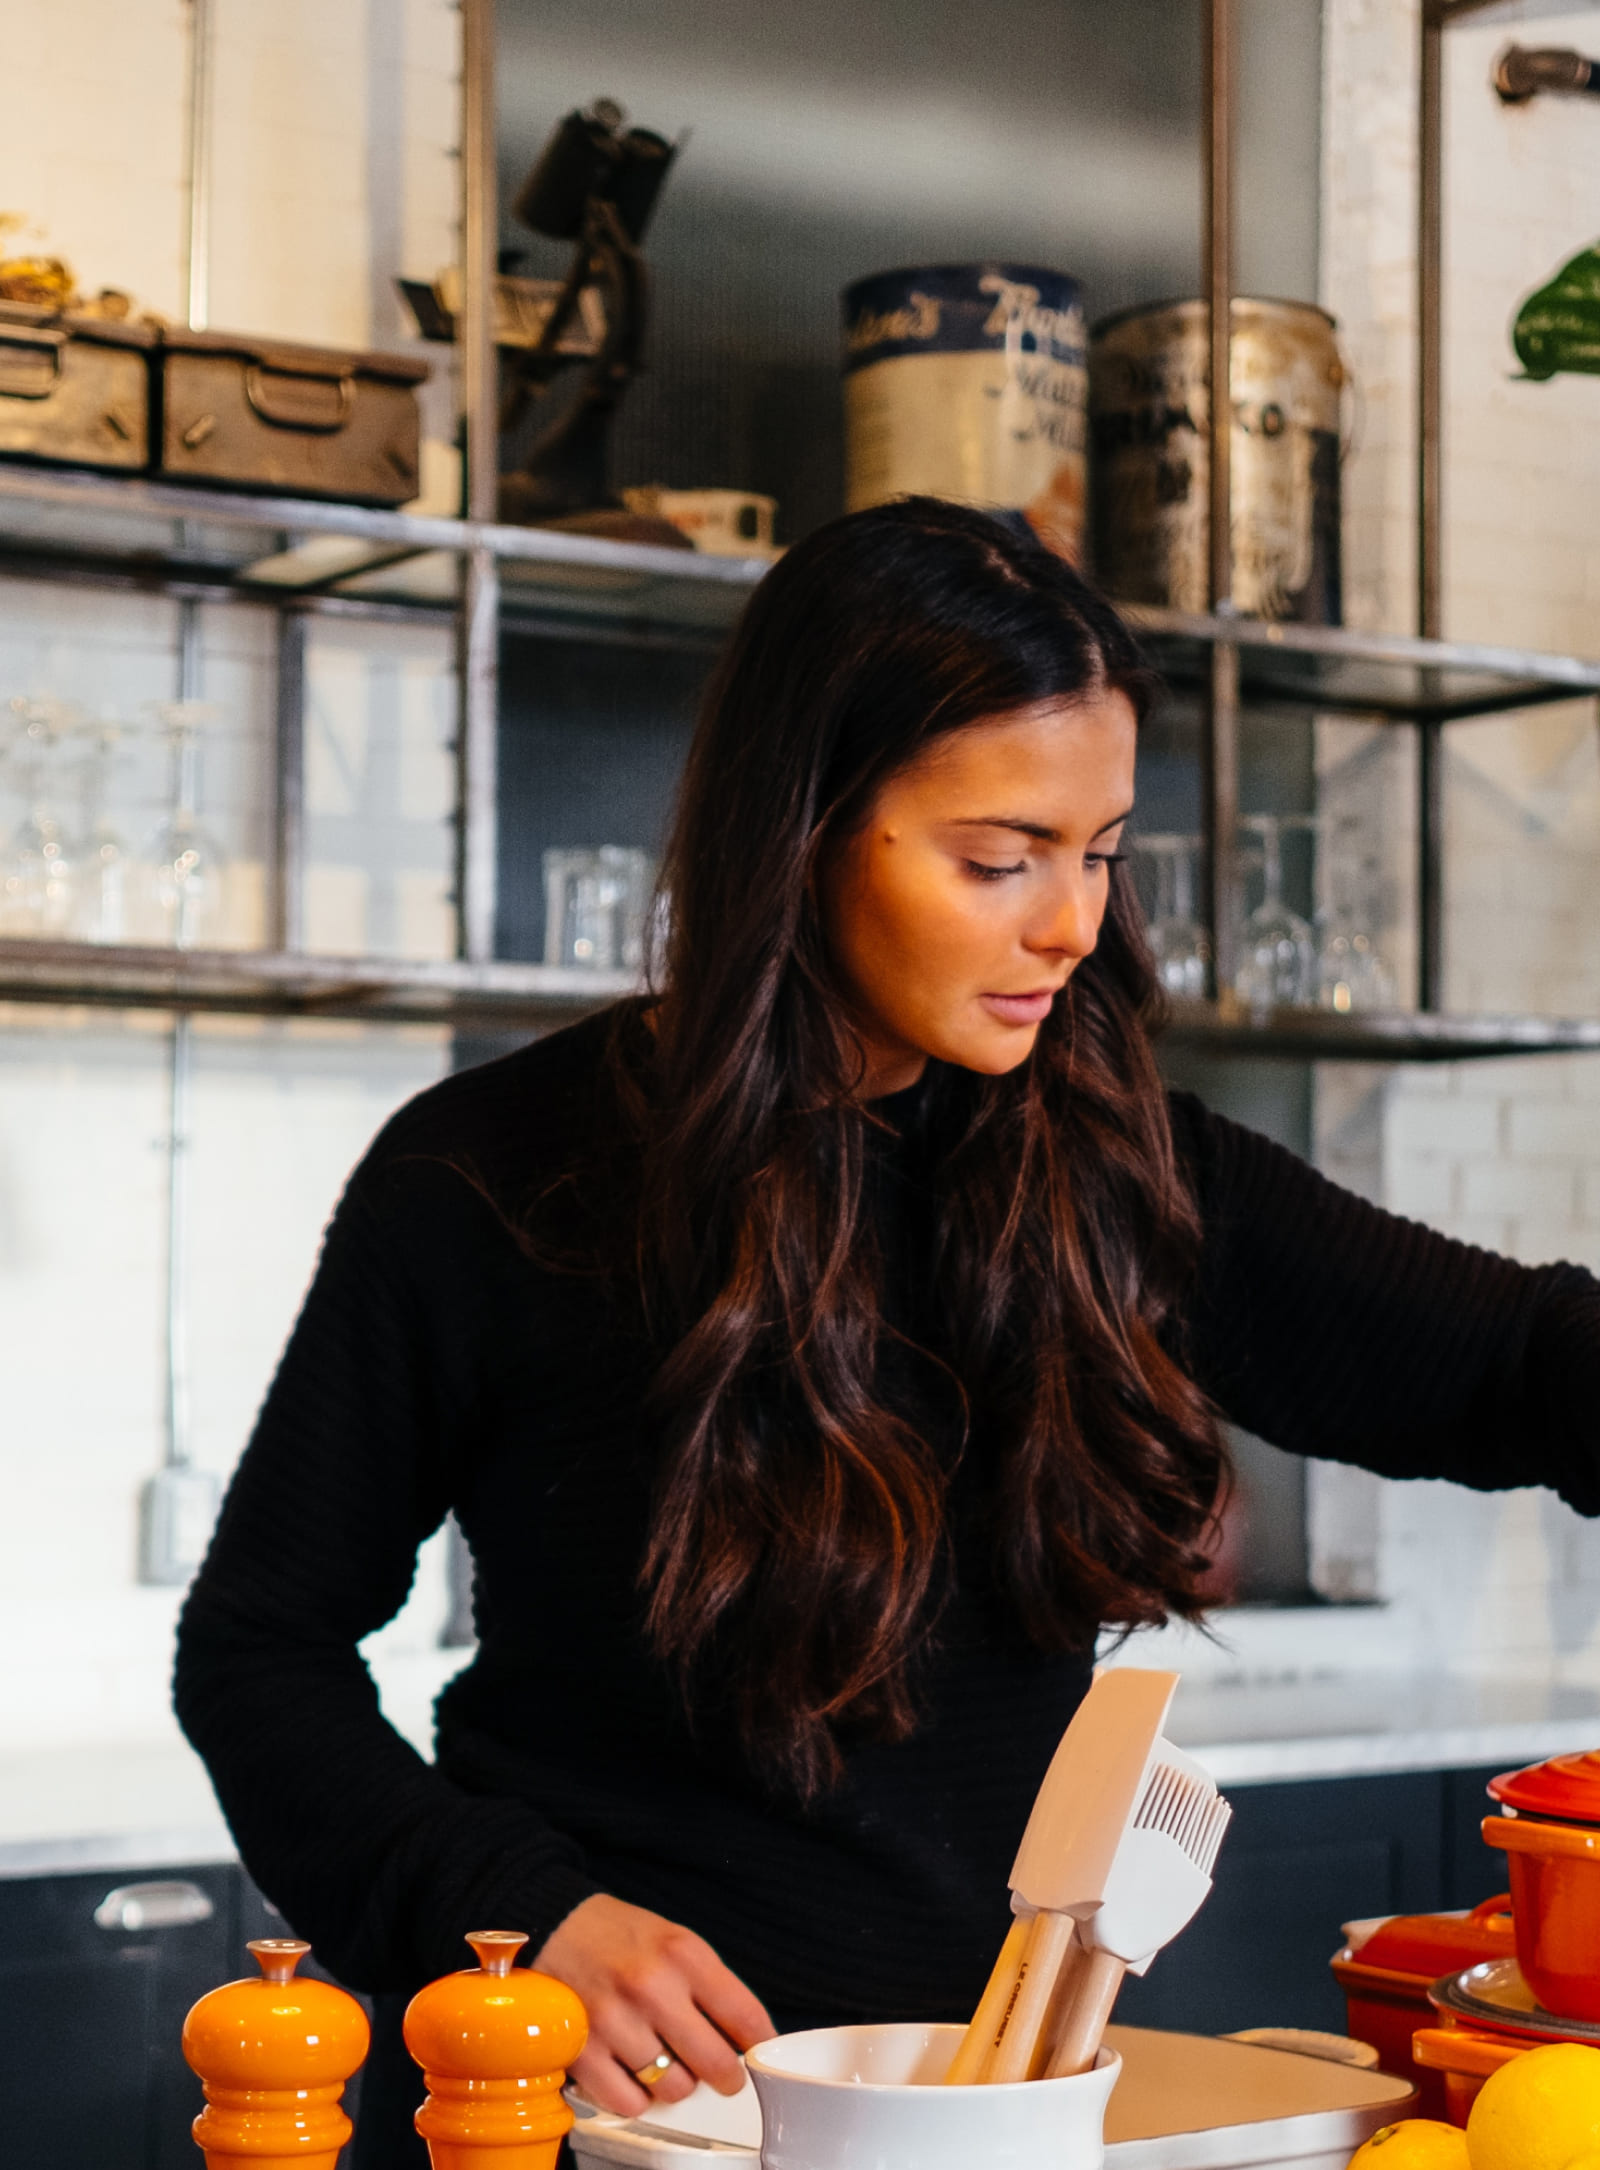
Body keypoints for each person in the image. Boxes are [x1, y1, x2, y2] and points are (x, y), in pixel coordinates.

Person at [174, 498, 1600, 2162]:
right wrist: (520, 1908)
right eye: (1001, 859)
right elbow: (258, 1651)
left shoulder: (1123, 1172)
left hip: (986, 2127)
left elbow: (1526, 1367)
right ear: (805, 829)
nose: (1070, 922)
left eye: (1102, 852)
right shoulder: (490, 1179)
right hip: (602, 2126)